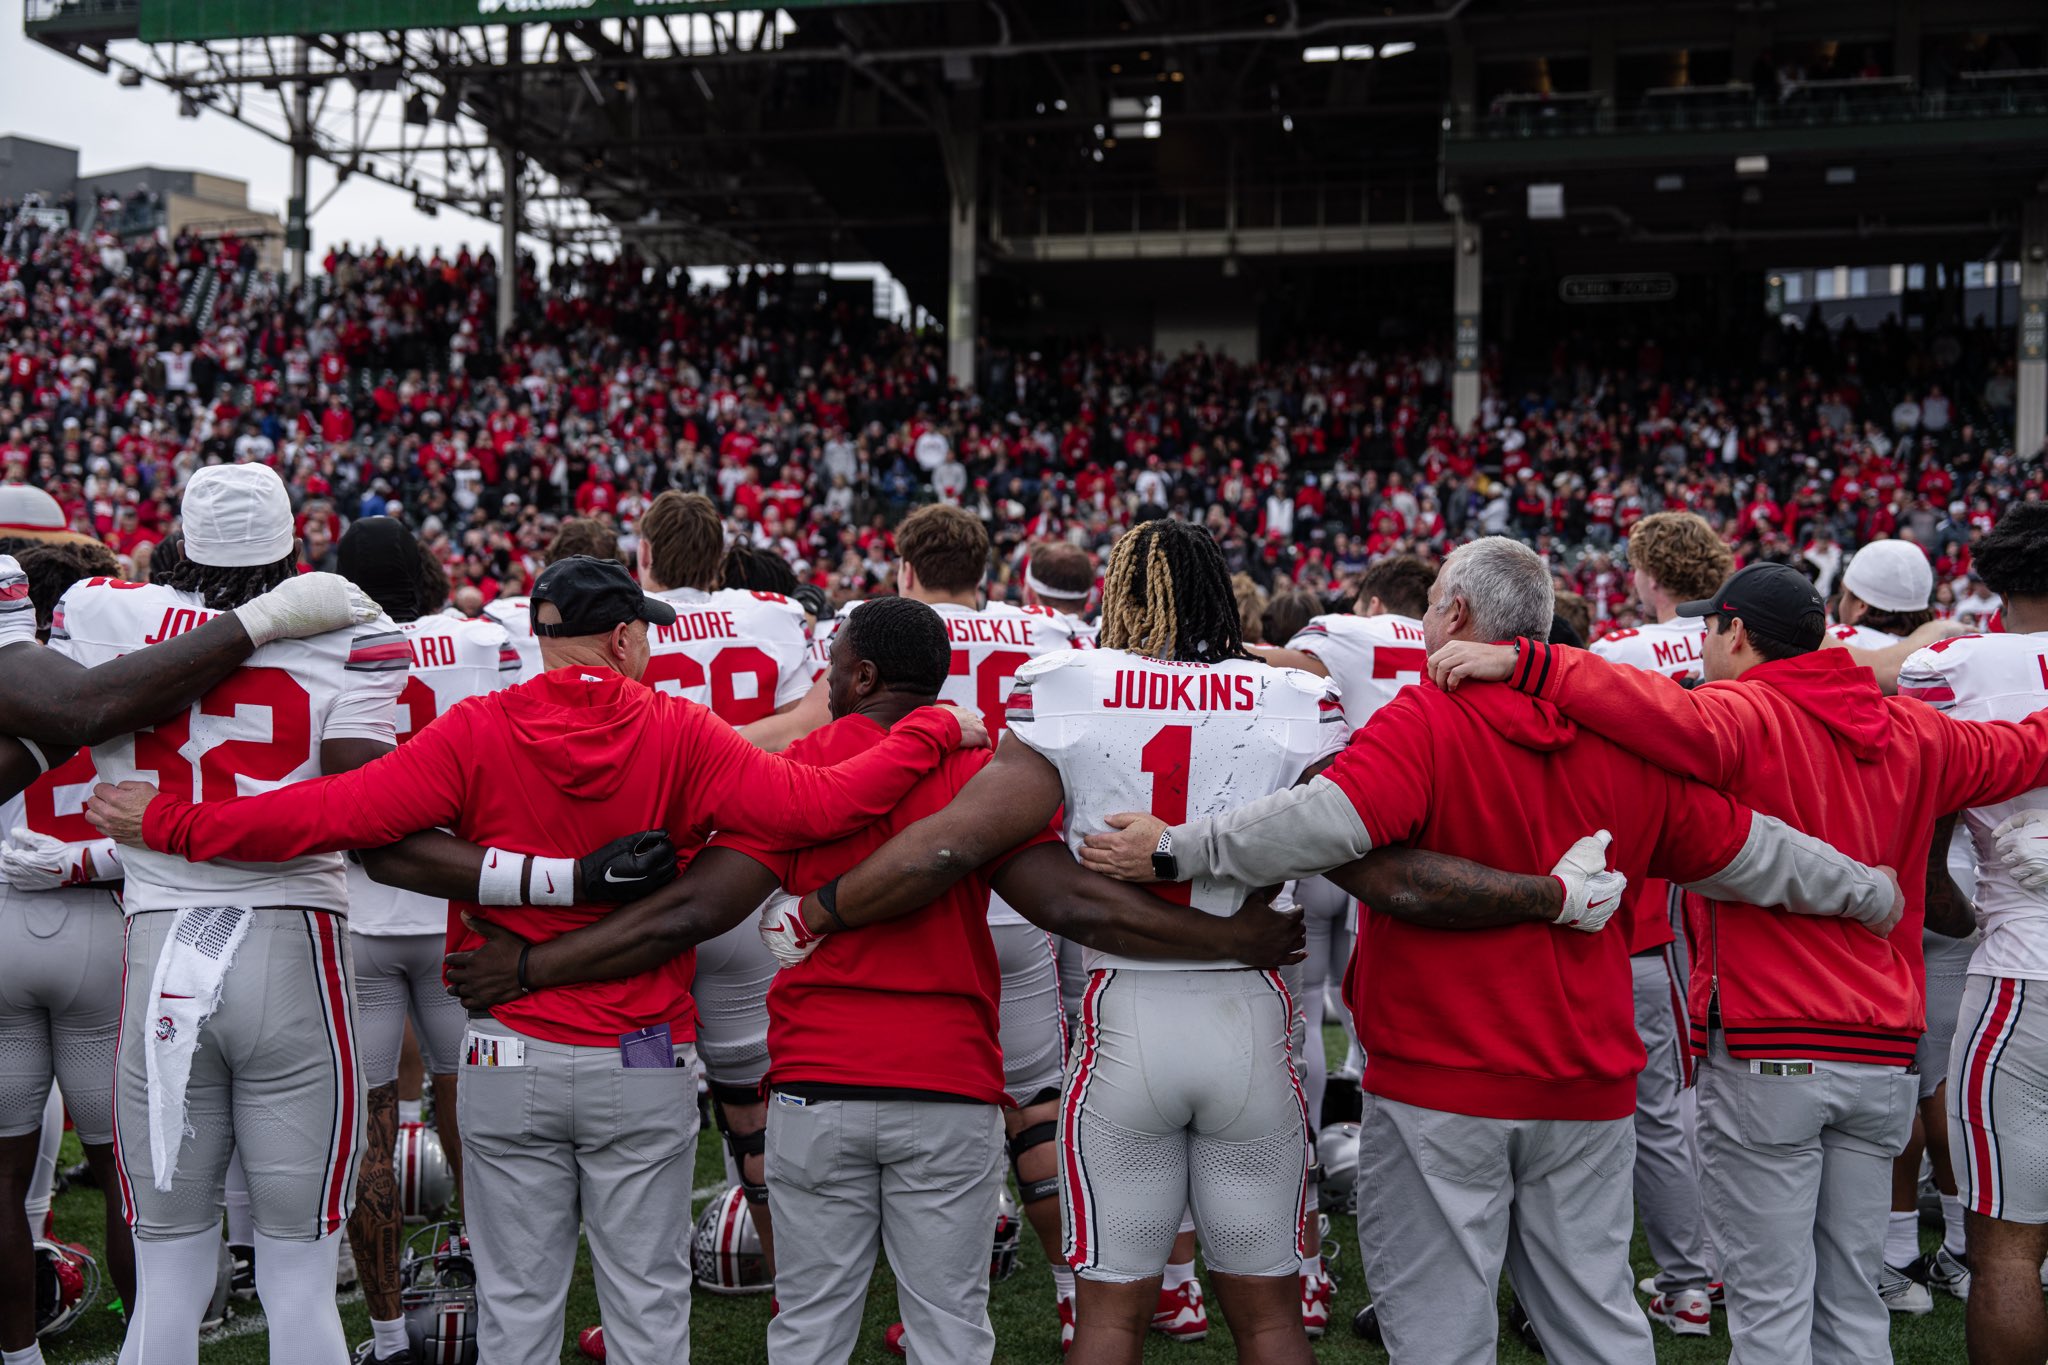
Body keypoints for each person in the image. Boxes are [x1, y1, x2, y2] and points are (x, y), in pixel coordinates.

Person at [794, 524, 1790, 1365]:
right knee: (1271, 1308)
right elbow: (1372, 858)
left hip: (1125, 1013)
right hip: (1255, 1016)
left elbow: (961, 842)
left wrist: (821, 909)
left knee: (1106, 1310)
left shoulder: (1070, 681)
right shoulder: (1290, 699)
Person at [86, 553, 989, 1365]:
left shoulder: (479, 728)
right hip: (640, 1051)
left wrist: (172, 821)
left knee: (516, 1312)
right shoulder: (679, 729)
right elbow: (822, 806)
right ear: (627, 637)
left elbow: (332, 813)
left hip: (505, 1051)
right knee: (647, 1309)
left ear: (542, 635)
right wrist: (935, 729)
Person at [437, 592, 1338, 1365]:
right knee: (949, 1326)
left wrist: (531, 961)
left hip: (815, 1086)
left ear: (861, 675)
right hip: (943, 1084)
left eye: (834, 661)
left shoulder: (793, 771)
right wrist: (1227, 936)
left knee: (813, 1327)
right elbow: (1073, 906)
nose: (824, 676)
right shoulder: (978, 774)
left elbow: (692, 911)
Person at [1076, 537, 1906, 1365]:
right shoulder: (1616, 742)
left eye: (1435, 599)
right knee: (1595, 1320)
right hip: (1586, 1079)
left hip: (1445, 1075)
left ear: (1460, 614)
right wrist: (1867, 888)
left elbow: (1321, 822)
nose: (1428, 615)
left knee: (1441, 1326)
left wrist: (1178, 847)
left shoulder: (1428, 716)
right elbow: (1754, 849)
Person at [1427, 557, 2048, 1365]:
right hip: (1883, 1051)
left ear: (1738, 633)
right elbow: (2024, 748)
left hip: (1770, 1046)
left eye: (1711, 626)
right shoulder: (1914, 730)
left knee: (1771, 1313)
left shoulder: (1740, 714)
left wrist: (1529, 659)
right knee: (1854, 1305)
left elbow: (1635, 702)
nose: (1705, 642)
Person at [48, 464, 407, 1365]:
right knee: (297, 1281)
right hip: (296, 946)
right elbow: (366, 798)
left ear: (180, 539)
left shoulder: (103, 611)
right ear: (294, 544)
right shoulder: (358, 630)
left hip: (162, 947)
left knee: (168, 1282)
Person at [817, 503, 1085, 1339]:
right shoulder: (1049, 637)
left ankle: (878, 1299)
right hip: (1017, 881)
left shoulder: (865, 632)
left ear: (904, 566)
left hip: (888, 880)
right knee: (1035, 1101)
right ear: (987, 568)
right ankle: (1074, 1290)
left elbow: (817, 729)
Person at [332, 517, 516, 1365]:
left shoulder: (334, 643)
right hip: (458, 908)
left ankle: (384, 1333)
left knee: (372, 1130)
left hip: (361, 907)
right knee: (476, 1119)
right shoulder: (486, 638)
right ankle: (496, 1299)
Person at [1254, 551, 1439, 1330]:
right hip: (1406, 850)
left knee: (1296, 1022)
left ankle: (1309, 1177)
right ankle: (1358, 1151)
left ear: (1368, 598)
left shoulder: (1350, 632)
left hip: (1330, 828)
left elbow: (1279, 663)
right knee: (1378, 1027)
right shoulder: (1454, 641)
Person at [633, 490, 814, 1279]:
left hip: (648, 888)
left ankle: (640, 1302)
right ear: (721, 558)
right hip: (750, 881)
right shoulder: (773, 613)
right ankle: (793, 1282)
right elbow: (817, 718)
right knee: (755, 1109)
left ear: (644, 558)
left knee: (646, 1109)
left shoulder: (622, 622)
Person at [1898, 502, 2048, 1363]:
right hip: (2016, 951)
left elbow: (1926, 785)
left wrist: (1935, 894)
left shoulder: (1953, 662)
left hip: (2022, 971)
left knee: (2008, 1251)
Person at [1586, 511, 1733, 1336]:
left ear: (1646, 571)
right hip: (1738, 876)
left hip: (1650, 895)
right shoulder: (1749, 643)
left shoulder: (1618, 652)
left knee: (1652, 1100)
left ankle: (1685, 1278)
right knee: (1698, 1092)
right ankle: (1699, 1269)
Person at [1822, 536, 1974, 1311]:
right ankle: (1960, 1246)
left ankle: (1888, 1250)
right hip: (1959, 879)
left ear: (1852, 599)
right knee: (1943, 1080)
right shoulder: (1959, 649)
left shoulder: (1838, 646)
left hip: (1866, 877)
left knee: (1886, 1077)